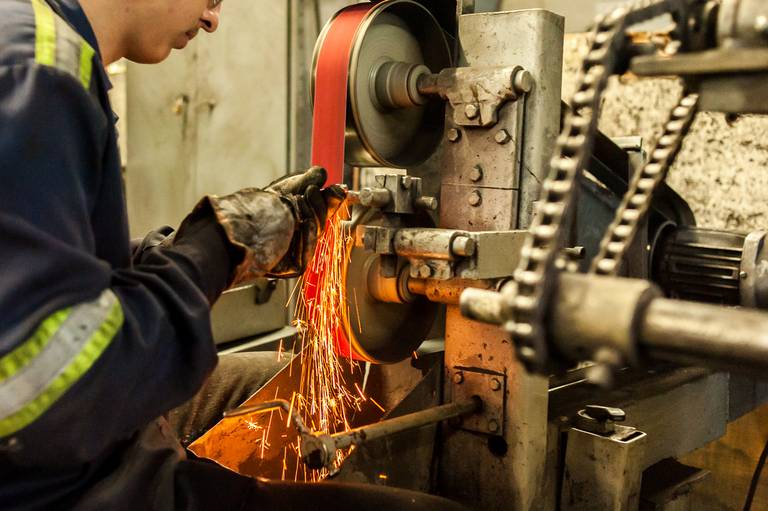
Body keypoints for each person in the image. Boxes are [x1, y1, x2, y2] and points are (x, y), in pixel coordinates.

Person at [0, 0, 472, 510]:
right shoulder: (39, 72)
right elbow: (48, 390)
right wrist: (216, 247)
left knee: (302, 386)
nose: (212, 19)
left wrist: (205, 250)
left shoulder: (44, 49)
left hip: (71, 435)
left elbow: (56, 267)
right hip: (56, 481)